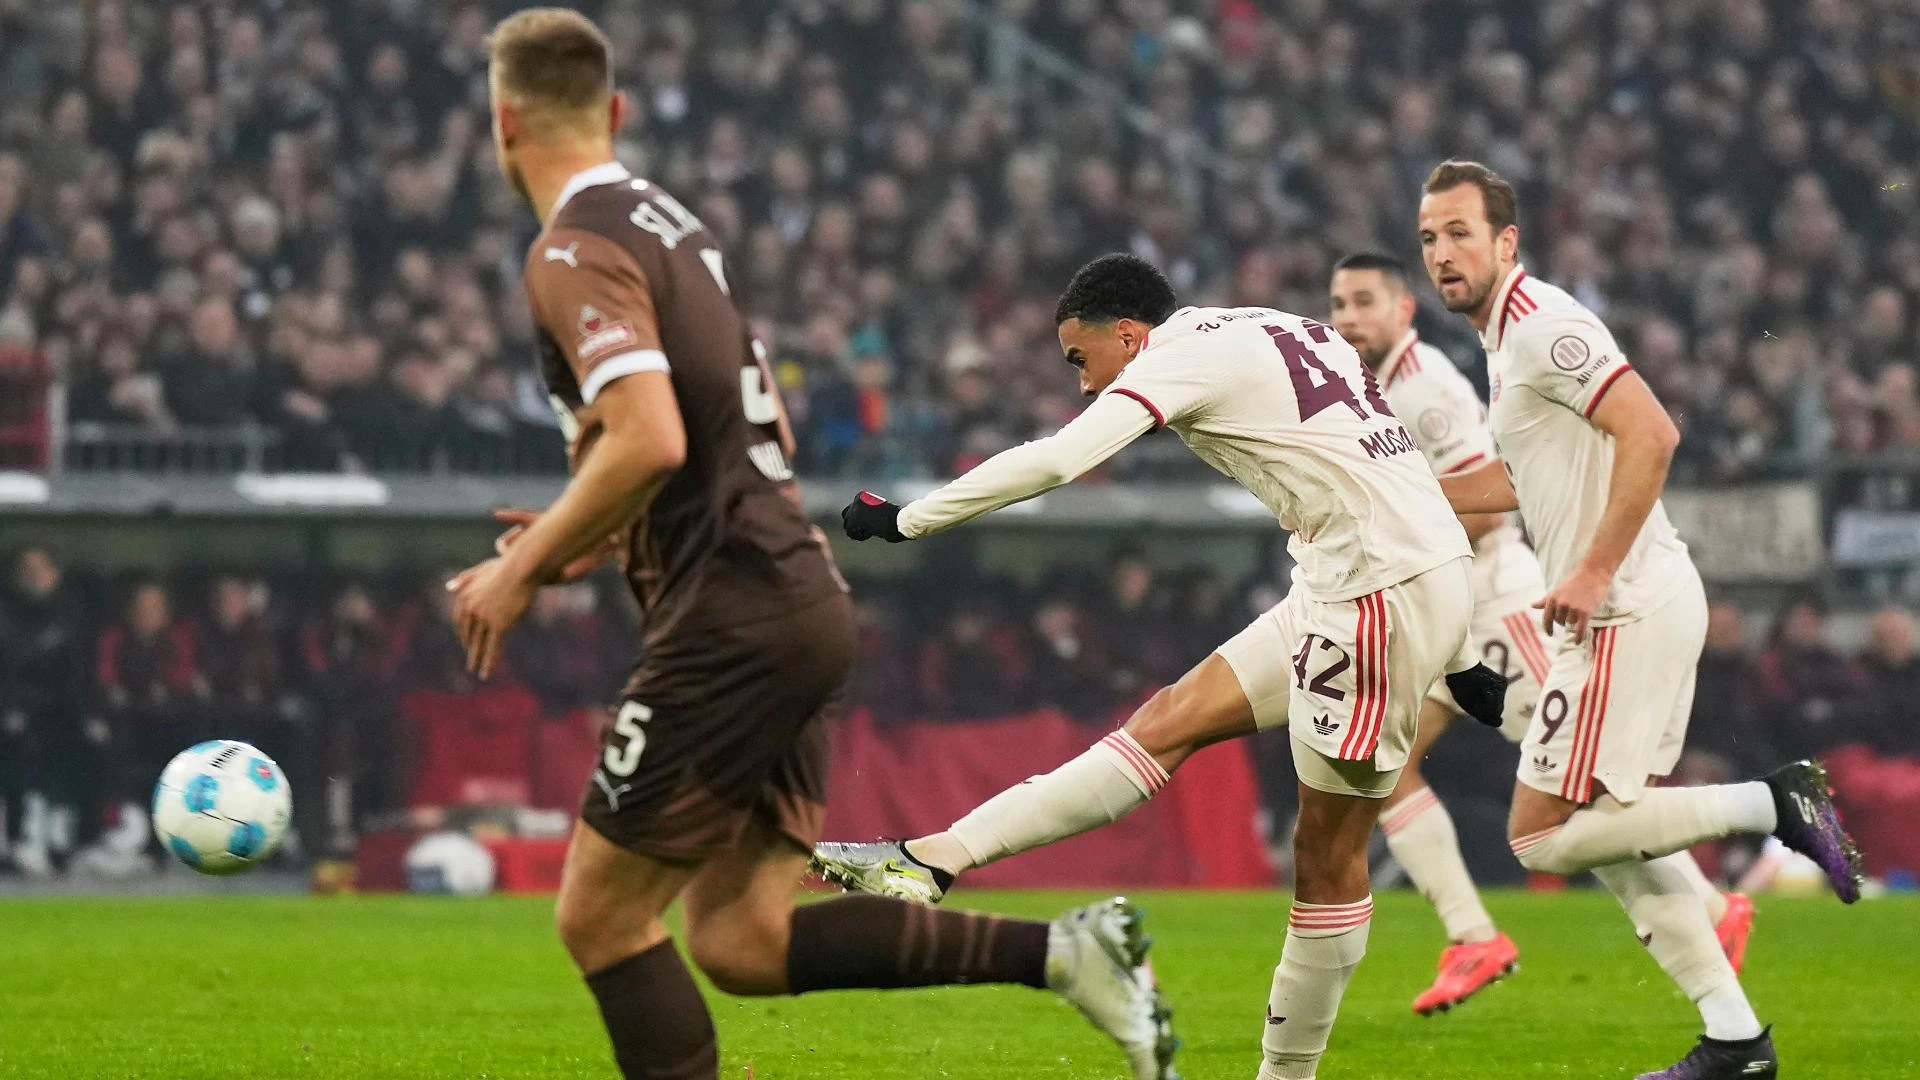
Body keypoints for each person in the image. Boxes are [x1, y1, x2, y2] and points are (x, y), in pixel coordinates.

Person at [443, 12, 1173, 1080]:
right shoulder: (674, 225)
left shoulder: (571, 246)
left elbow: (649, 435)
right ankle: (1069, 954)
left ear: (503, 122)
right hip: (796, 599)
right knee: (742, 937)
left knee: (600, 920)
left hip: (729, 619)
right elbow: (759, 431)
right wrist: (594, 530)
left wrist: (519, 565)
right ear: (617, 113)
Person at [817, 250, 1514, 1080]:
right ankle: (931, 857)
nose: (1083, 383)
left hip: (1375, 602)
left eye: (1082, 359)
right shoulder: (1289, 327)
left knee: (1326, 857)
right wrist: (1463, 651)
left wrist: (907, 521)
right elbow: (1394, 477)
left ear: (1127, 333)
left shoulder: (1180, 356)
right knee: (1166, 721)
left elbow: (1057, 462)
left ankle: (1285, 1077)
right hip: (1357, 580)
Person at [1418, 160, 1862, 1080]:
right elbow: (1515, 482)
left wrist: (1588, 570)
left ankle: (1775, 802)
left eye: (1460, 232)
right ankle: (1737, 1042)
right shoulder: (1504, 343)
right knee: (1621, 839)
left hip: (1623, 608)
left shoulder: (1544, 327)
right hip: (1627, 607)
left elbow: (1653, 432)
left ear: (1507, 242)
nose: (1441, 254)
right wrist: (1399, 492)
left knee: (1539, 834)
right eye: (1429, 237)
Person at [1327, 252, 1755, 1012]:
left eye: (1365, 301)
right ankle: (1472, 937)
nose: (1348, 317)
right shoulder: (1382, 390)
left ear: (1403, 311)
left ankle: (1717, 908)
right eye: (1338, 304)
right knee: (1379, 766)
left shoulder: (1425, 389)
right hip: (1450, 614)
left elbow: (1496, 504)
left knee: (1570, 804)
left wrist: (1390, 517)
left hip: (1501, 608)